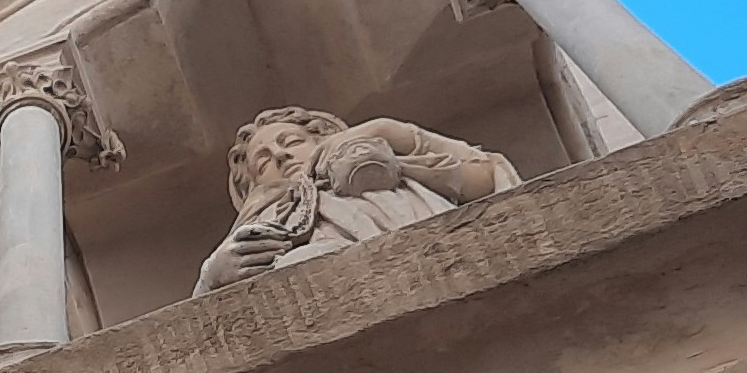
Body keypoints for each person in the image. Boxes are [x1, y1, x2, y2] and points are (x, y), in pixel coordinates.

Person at [192, 108, 520, 297]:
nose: (279, 155)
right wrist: (212, 278)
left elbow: (490, 177)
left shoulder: (384, 168)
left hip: (443, 266)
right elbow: (200, 338)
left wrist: (389, 131)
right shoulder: (258, 228)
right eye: (262, 162)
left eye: (291, 141)